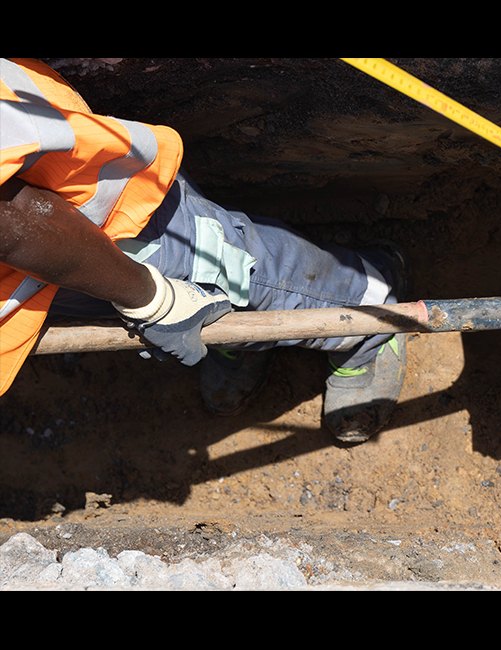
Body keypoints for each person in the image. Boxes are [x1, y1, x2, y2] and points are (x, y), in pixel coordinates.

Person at [0, 57, 408, 443]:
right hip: (22, 280)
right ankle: (244, 336)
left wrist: (151, 300)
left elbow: (13, 221)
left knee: (237, 274)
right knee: (183, 305)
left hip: (79, 209)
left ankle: (365, 315)